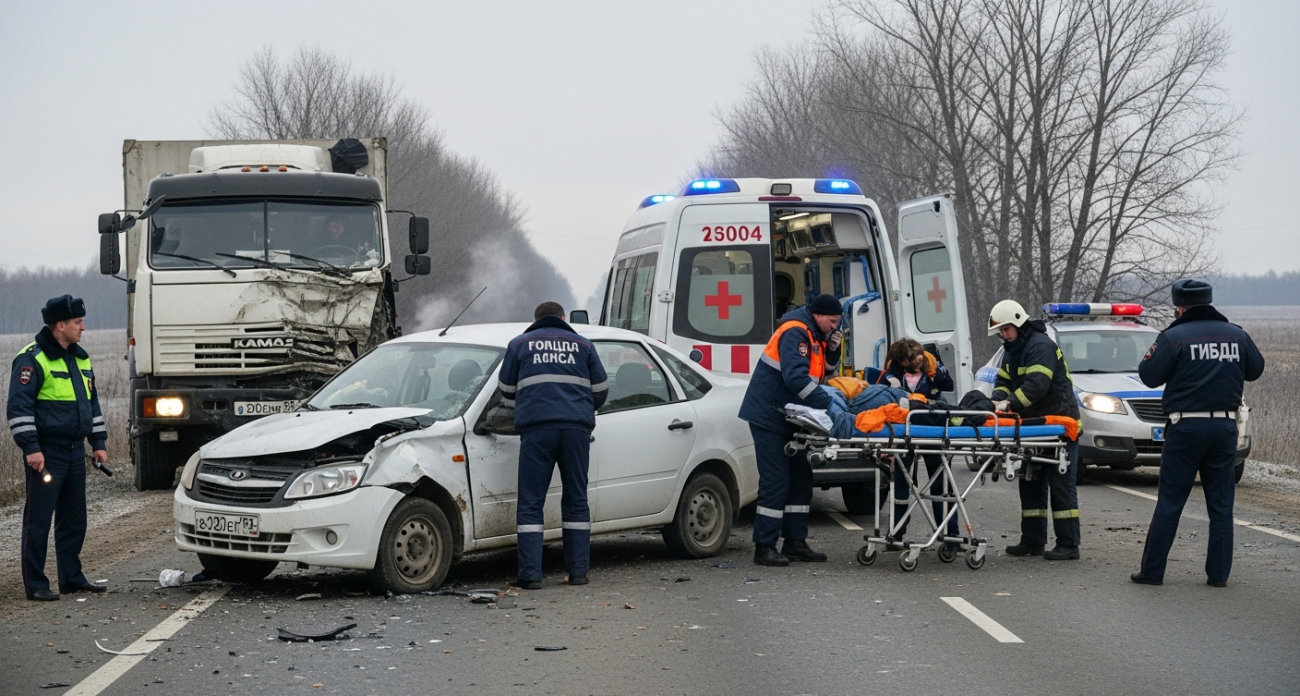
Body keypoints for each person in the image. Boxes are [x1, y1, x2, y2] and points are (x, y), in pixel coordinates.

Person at [1131, 280, 1264, 587]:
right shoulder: (1237, 335)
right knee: (1221, 504)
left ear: (1180, 307)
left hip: (1186, 428)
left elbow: (1148, 376)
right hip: (1225, 428)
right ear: (1208, 302)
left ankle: (1153, 572)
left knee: (1171, 501)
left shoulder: (1174, 337)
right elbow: (1255, 370)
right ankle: (1218, 576)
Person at [498, 302, 608, 589]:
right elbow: (600, 390)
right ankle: (578, 573)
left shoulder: (520, 343)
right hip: (576, 430)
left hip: (537, 429)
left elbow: (506, 391)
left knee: (532, 502)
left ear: (536, 319)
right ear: (562, 318)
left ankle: (531, 576)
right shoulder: (583, 345)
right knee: (575, 498)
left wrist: (530, 401)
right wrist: (577, 408)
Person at [7, 295, 109, 601]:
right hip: (47, 453)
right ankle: (36, 584)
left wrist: (99, 443)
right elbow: (18, 409)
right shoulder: (31, 359)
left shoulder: (81, 357)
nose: (83, 328)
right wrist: (31, 448)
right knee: (38, 520)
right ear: (60, 325)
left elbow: (91, 404)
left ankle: (71, 578)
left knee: (75, 519)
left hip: (76, 451)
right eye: (78, 322)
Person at [739, 293, 843, 566]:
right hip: (769, 416)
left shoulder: (813, 334)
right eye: (832, 321)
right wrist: (828, 405)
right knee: (776, 481)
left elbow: (822, 372)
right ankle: (764, 546)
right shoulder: (795, 331)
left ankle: (795, 541)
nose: (834, 326)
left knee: (800, 478)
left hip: (792, 416)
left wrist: (833, 348)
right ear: (818, 314)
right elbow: (796, 378)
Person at [988, 299, 1082, 561]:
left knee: (1060, 484)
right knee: (1030, 482)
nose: (1003, 335)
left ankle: (1068, 544)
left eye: (1006, 330)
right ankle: (1032, 541)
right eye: (1001, 332)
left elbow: (1037, 386)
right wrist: (997, 399)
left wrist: (1009, 404)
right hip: (1033, 426)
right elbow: (1004, 380)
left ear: (1019, 323)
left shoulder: (1040, 346)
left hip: (1059, 426)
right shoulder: (1013, 349)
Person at [877, 339, 958, 545]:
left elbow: (948, 385)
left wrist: (936, 372)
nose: (913, 363)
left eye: (914, 359)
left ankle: (950, 534)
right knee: (901, 484)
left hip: (932, 429)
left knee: (941, 483)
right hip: (905, 433)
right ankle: (896, 531)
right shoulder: (891, 373)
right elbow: (879, 398)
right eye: (906, 361)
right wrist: (891, 381)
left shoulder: (931, 365)